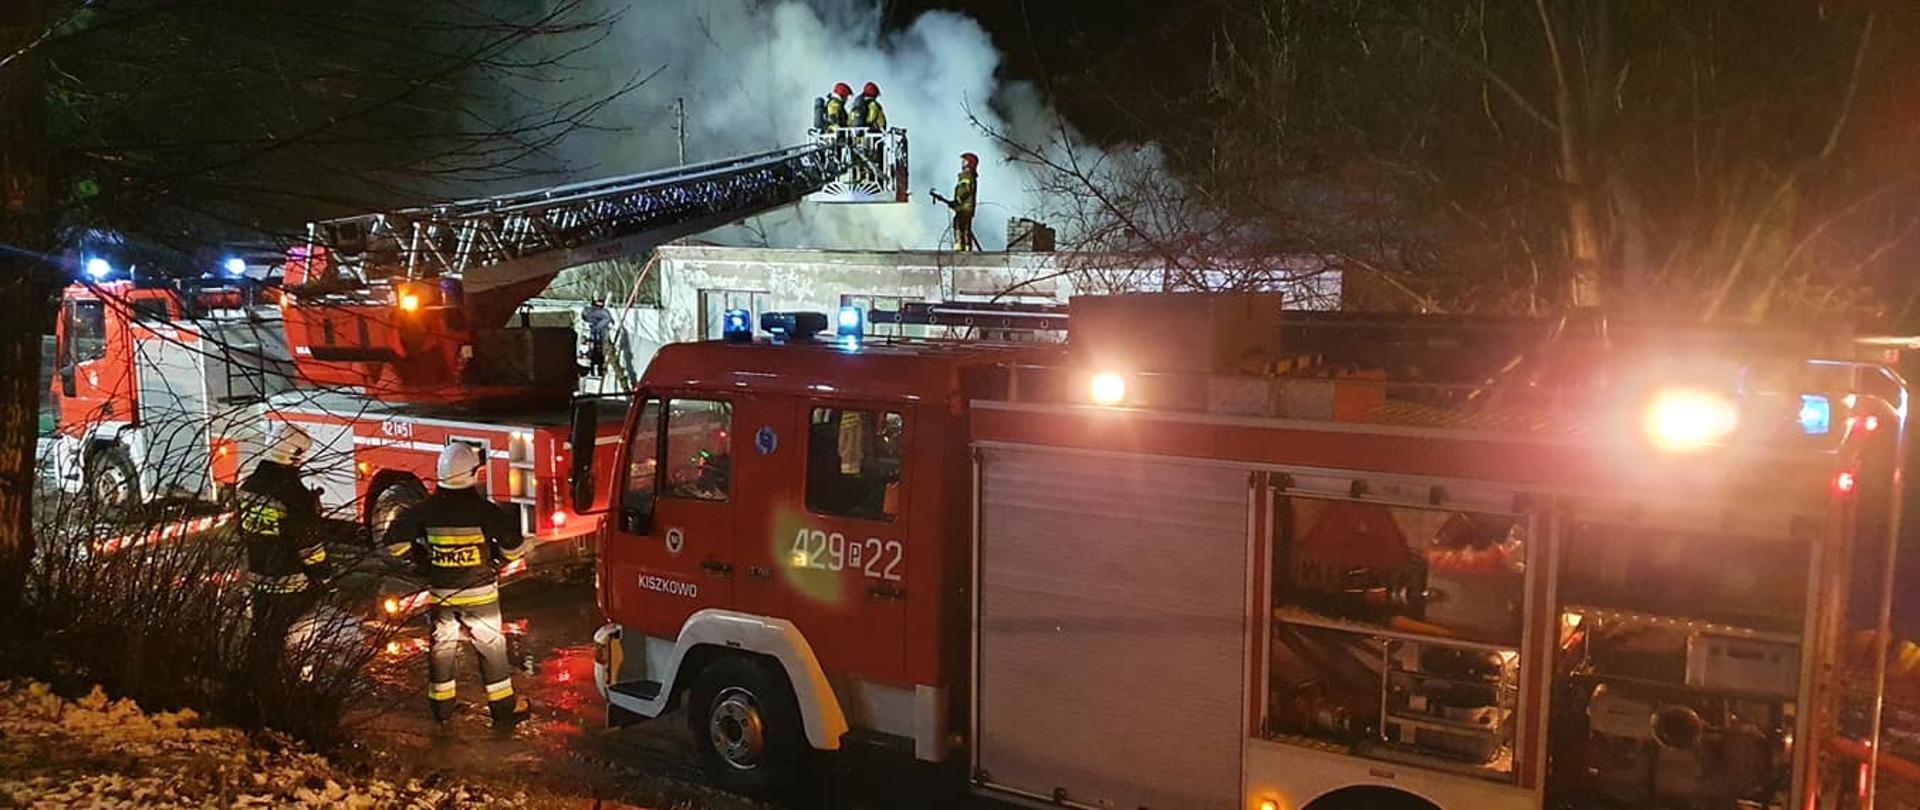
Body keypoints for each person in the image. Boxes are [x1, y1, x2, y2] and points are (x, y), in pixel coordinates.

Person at [384, 444, 533, 728]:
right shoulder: (483, 511)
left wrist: (421, 561)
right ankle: (503, 710)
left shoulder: (425, 510)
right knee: (491, 648)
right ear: (472, 473)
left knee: (442, 647)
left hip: (443, 594)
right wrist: (507, 553)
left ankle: (442, 709)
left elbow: (394, 544)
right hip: (481, 595)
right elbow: (513, 550)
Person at [237, 423, 332, 679]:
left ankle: (256, 687)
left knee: (262, 642)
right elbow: (309, 546)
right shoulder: (294, 495)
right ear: (293, 455)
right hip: (291, 586)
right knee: (296, 644)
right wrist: (324, 576)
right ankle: (293, 690)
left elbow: (242, 531)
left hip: (258, 581)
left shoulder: (248, 487)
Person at [932, 152, 979, 251]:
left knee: (958, 225)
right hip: (969, 207)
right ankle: (967, 247)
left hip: (963, 207)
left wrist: (957, 200)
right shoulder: (972, 176)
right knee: (966, 228)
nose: (962, 163)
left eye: (964, 161)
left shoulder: (966, 175)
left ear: (968, 163)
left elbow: (964, 189)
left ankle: (959, 246)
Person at [581, 298, 612, 378]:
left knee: (598, 352)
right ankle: (594, 370)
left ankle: (597, 370)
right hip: (596, 334)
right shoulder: (592, 311)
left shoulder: (602, 313)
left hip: (597, 336)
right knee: (596, 351)